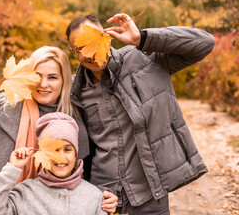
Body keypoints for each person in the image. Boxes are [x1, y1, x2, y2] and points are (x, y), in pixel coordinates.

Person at [66, 13, 215, 214]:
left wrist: (141, 39)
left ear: (106, 35)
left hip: (150, 195)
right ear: (74, 53)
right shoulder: (75, 91)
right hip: (102, 198)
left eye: (92, 42)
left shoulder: (144, 58)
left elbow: (204, 43)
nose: (89, 53)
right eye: (81, 48)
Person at [0, 46, 117, 215]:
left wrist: (104, 194)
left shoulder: (74, 119)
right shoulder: (6, 105)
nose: (43, 84)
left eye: (52, 77)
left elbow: (84, 172)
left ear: (64, 80)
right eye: (37, 76)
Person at [0, 112, 109, 215]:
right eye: (54, 150)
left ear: (76, 153)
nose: (60, 157)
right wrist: (12, 170)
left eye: (67, 149)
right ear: (42, 153)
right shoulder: (25, 192)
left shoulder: (94, 196)